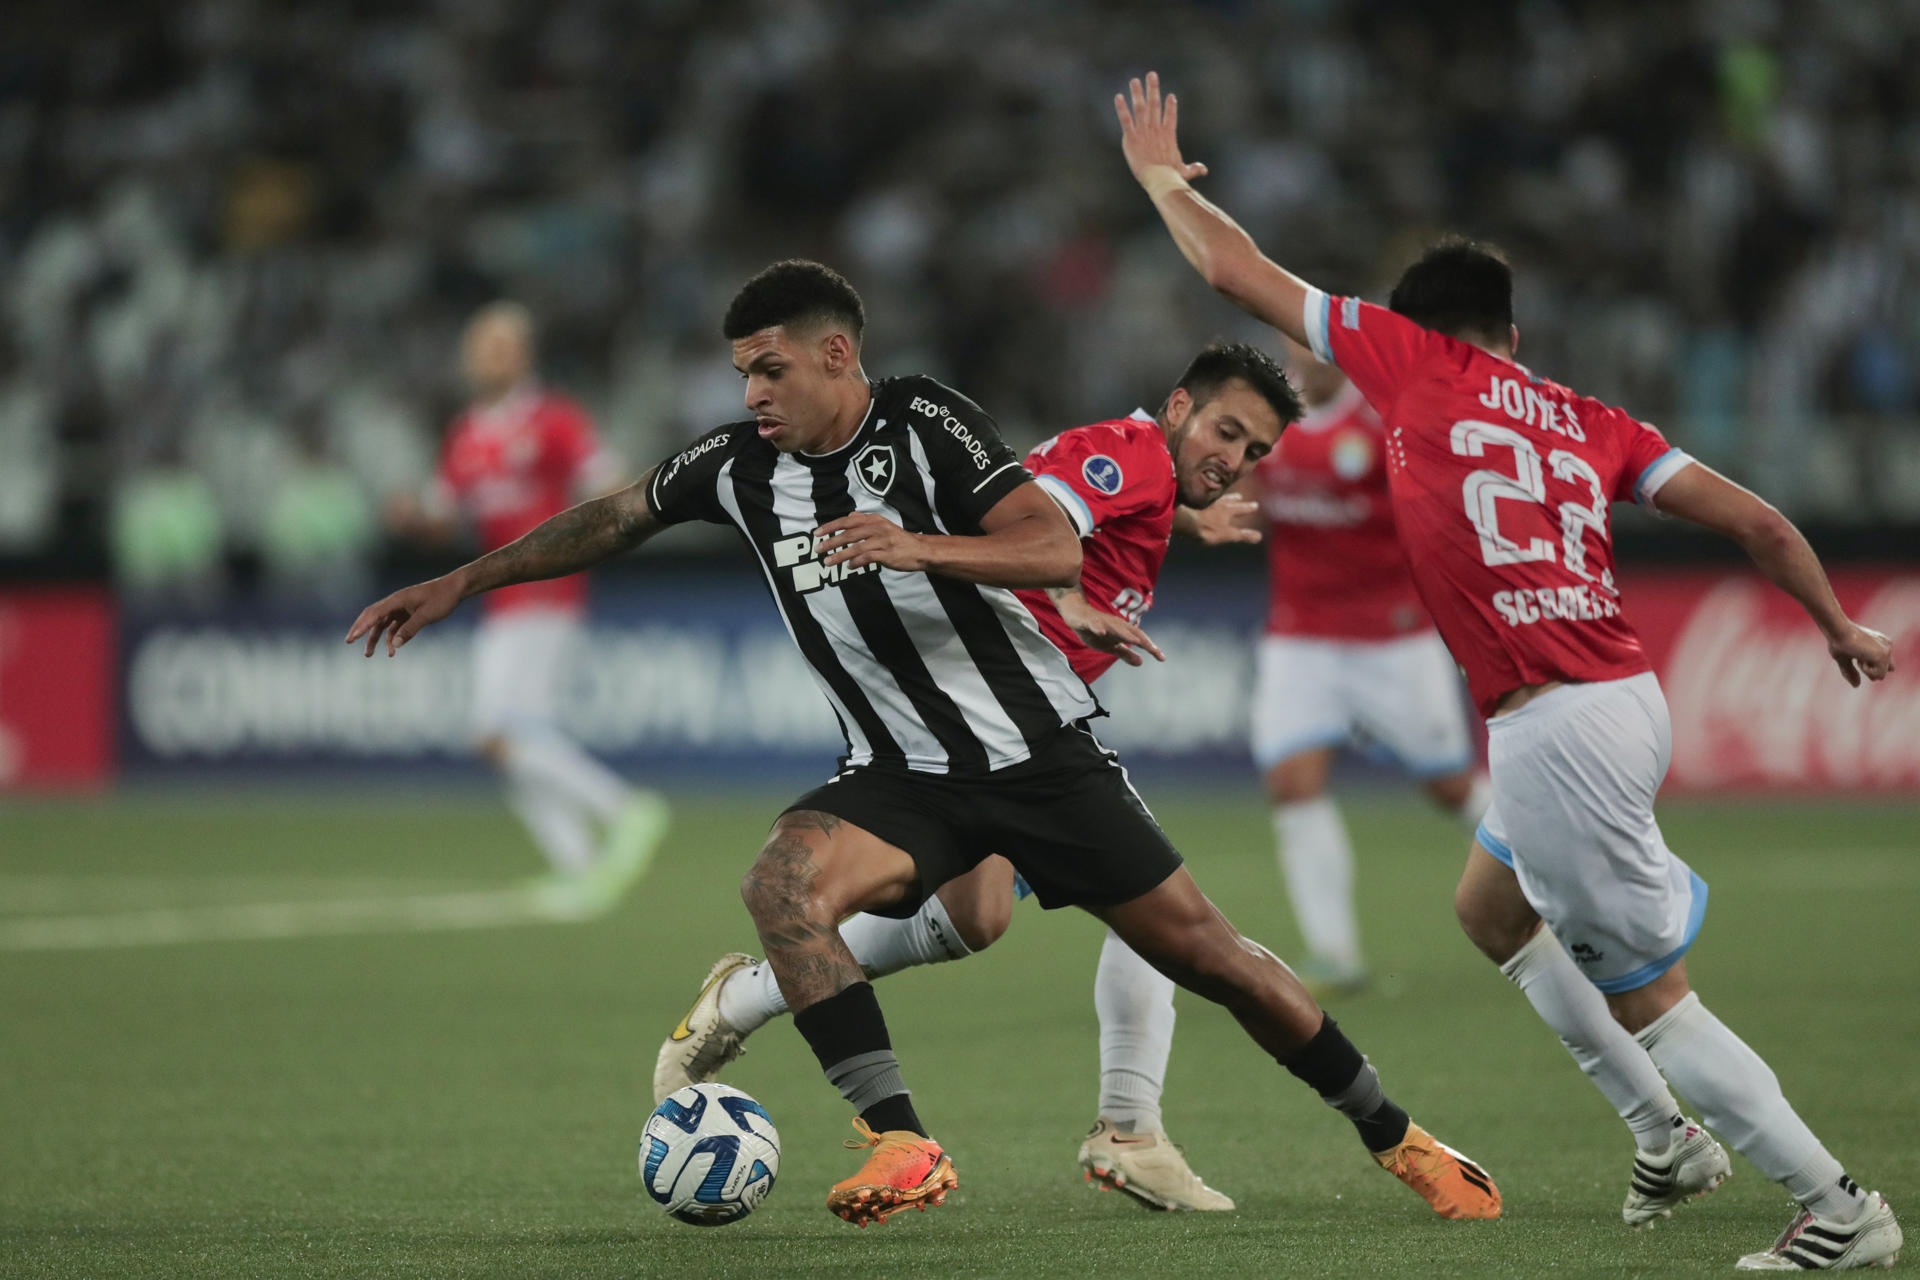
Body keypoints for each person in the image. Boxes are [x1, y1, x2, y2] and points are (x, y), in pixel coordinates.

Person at [349, 260, 1502, 1228]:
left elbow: (1049, 545)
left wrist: (914, 548)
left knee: (1210, 955)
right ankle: (903, 1139)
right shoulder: (735, 467)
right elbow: (611, 516)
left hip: (1037, 750)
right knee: (781, 882)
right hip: (900, 770)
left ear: (838, 356)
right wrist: (465, 576)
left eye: (770, 367)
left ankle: (1398, 1137)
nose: (750, 390)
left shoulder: (924, 420)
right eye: (742, 369)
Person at [1116, 72, 1901, 1269]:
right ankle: (1661, 1134)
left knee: (1658, 998)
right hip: (1630, 695)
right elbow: (1763, 526)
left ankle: (1837, 1204)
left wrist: (1163, 178)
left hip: (1556, 726)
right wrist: (1836, 623)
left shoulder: (1412, 365)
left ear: (1418, 329)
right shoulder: (1593, 417)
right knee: (1489, 905)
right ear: (1515, 336)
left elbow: (1234, 272)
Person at [652, 343, 1285, 1213]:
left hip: (1026, 734)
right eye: (1228, 431)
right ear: (1178, 407)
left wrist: (1182, 519)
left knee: (978, 918)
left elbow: (1051, 500)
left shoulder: (1152, 475)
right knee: (1159, 914)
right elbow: (1038, 516)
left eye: (1255, 452)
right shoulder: (1128, 452)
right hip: (987, 715)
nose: (1236, 459)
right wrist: (1065, 598)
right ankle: (1130, 1129)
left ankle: (745, 996)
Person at [388, 302, 667, 908]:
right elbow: (446, 517)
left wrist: (588, 526)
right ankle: (582, 869)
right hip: (499, 599)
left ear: (522, 354)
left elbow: (608, 479)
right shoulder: (466, 433)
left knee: (498, 733)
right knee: (515, 738)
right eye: (479, 346)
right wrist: (414, 519)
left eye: (497, 346)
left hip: (546, 592)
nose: (485, 357)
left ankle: (626, 809)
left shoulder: (553, 419)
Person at [1248, 333, 1489, 995]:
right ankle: (1334, 953)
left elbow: (1439, 522)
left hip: (1393, 638)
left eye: (1321, 346)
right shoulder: (1269, 419)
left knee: (1450, 789)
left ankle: (1562, 883)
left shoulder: (1385, 423)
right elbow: (1243, 494)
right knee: (1292, 783)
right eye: (1298, 348)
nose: (1311, 360)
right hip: (1299, 637)